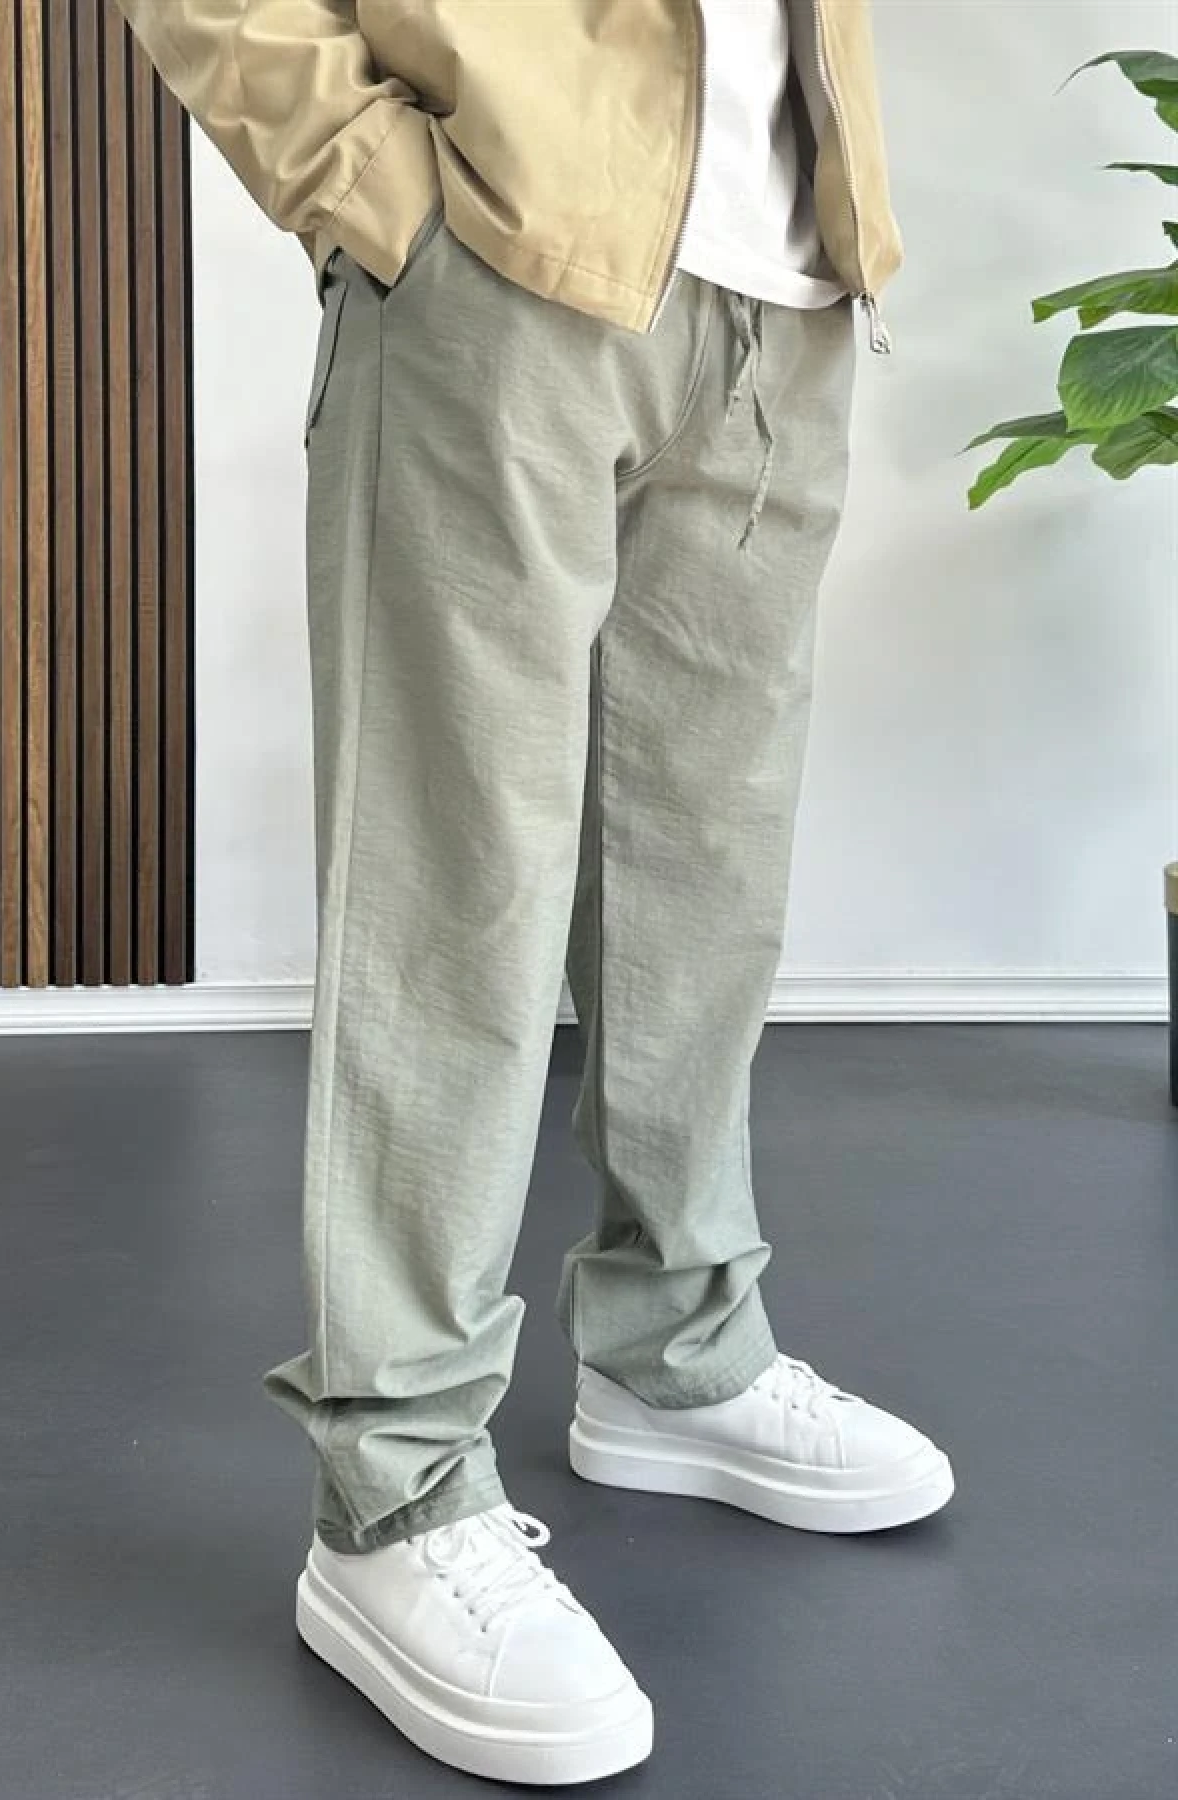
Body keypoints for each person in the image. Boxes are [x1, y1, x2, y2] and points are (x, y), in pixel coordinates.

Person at [119, 1, 954, 1784]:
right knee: (453, 898)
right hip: (496, 254)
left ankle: (678, 1348)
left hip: (787, 281)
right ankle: (394, 1497)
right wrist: (369, 181)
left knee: (706, 882)